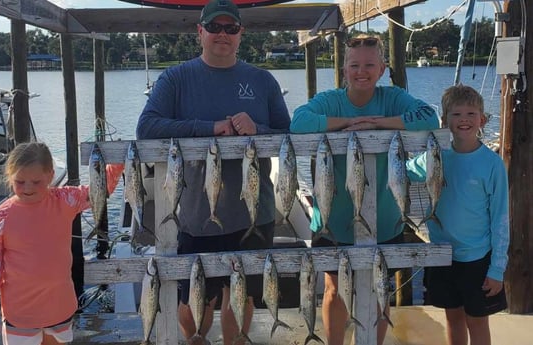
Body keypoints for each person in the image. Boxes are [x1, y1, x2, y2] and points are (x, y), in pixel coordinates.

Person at [135, 1, 290, 344]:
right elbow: (146, 128)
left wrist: (258, 130)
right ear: (200, 32)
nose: (223, 34)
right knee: (192, 296)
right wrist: (210, 128)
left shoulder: (262, 80)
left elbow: (286, 136)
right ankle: (195, 339)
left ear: (241, 35)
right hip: (195, 210)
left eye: (230, 28)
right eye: (215, 27)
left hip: (254, 210)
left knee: (243, 293)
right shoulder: (175, 78)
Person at [290, 34, 439, 345]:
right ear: (344, 69)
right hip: (332, 218)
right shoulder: (330, 100)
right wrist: (346, 124)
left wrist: (380, 123)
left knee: (378, 288)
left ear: (382, 68)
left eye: (369, 65)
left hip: (385, 218)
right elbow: (299, 122)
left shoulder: (393, 97)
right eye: (354, 65)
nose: (362, 71)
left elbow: (431, 117)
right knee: (334, 289)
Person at [0, 142, 123, 345]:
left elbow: (101, 189)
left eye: (36, 182)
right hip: (20, 313)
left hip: (59, 308)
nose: (28, 188)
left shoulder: (65, 199)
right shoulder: (1, 217)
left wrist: (119, 159)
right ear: (9, 178)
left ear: (50, 175)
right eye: (20, 182)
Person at [407, 84, 509, 345]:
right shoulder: (435, 156)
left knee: (477, 321)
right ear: (444, 120)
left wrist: (497, 268)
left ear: (482, 119)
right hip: (442, 254)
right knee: (453, 319)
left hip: (478, 258)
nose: (464, 120)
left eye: (470, 114)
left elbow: (500, 219)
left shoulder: (492, 164)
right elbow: (403, 170)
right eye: (456, 114)